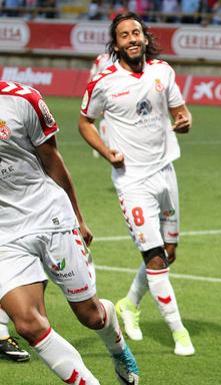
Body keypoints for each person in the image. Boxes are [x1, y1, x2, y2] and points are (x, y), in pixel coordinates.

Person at [0, 80, 139, 384]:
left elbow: (52, 159)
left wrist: (78, 217)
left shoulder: (23, 100)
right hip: (5, 234)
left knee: (91, 316)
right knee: (27, 324)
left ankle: (116, 342)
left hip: (49, 217)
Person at [78, 12, 195, 357]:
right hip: (132, 181)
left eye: (136, 33)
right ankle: (180, 332)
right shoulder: (104, 82)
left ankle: (129, 304)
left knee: (169, 253)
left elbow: (181, 112)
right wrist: (106, 150)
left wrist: (185, 120)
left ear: (145, 38)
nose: (131, 39)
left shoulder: (163, 71)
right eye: (124, 35)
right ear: (116, 45)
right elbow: (84, 122)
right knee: (155, 258)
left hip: (165, 173)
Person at [88, 52, 114, 158]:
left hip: (105, 89)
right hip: (103, 89)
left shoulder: (101, 57)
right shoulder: (103, 58)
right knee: (103, 117)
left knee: (106, 117)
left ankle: (103, 145)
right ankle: (102, 145)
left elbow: (92, 75)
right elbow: (93, 75)